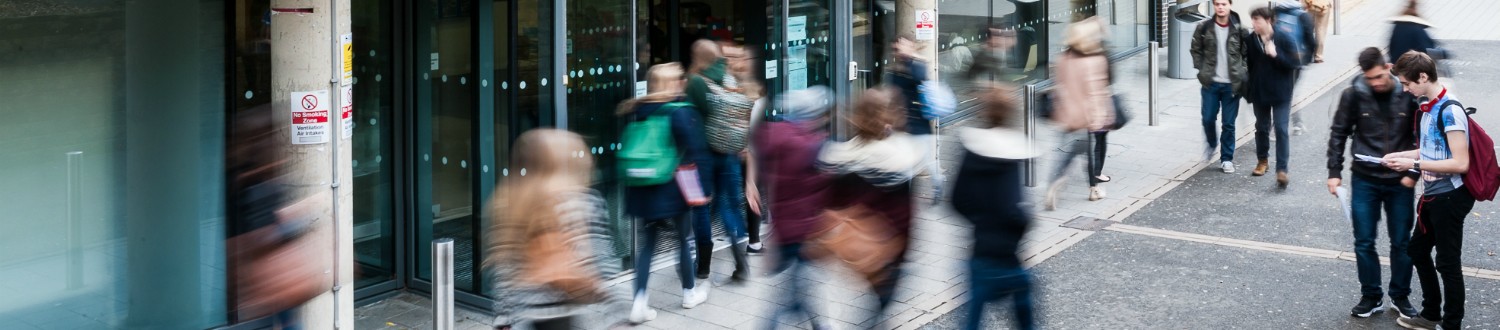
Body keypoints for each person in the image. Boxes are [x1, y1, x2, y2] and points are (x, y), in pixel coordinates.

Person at [483, 129, 622, 330]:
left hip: (528, 317)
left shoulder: (509, 203)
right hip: (563, 316)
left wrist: (503, 319)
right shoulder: (582, 200)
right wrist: (618, 313)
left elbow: (504, 270)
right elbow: (603, 263)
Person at [818, 87, 929, 326]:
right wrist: (904, 254)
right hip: (888, 249)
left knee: (876, 306)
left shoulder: (844, 155)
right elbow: (906, 216)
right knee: (880, 306)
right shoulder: (901, 157)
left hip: (857, 248)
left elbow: (831, 202)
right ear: (887, 117)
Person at [1325, 47, 1420, 320]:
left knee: (1401, 242)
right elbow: (1338, 134)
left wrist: (1412, 174)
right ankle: (1371, 296)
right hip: (1365, 178)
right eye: (1369, 78)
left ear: (1388, 66)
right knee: (1364, 241)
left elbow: (1422, 137)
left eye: (1379, 76)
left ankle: (1400, 296)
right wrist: (1334, 172)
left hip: (1400, 180)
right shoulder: (1353, 95)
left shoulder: (1407, 94)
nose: (1375, 83)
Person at [1382, 51, 1475, 330]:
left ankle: (1451, 323)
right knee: (1417, 251)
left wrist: (1414, 162)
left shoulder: (1450, 111)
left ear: (1423, 76)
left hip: (1450, 196)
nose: (1404, 89)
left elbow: (1461, 162)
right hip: (1434, 193)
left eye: (1407, 83)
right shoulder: (1428, 106)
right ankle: (1431, 314)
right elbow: (1433, 149)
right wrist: (1402, 155)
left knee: (1447, 263)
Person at [619, 63, 714, 324]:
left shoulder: (637, 110)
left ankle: (639, 302)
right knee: (683, 240)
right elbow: (695, 153)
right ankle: (689, 293)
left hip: (641, 188)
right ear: (672, 83)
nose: (682, 83)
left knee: (647, 245)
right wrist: (703, 191)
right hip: (673, 188)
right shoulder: (680, 112)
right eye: (678, 79)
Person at [951, 85, 1037, 330]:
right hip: (1007, 254)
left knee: (972, 315)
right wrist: (1024, 224)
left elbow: (957, 200)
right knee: (1025, 306)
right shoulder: (1010, 154)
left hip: (980, 247)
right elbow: (1012, 209)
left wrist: (979, 219)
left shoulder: (971, 150)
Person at [753, 87, 835, 330]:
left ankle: (819, 324)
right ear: (810, 115)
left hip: (785, 227)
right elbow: (825, 188)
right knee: (792, 293)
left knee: (800, 286)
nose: (823, 119)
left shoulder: (777, 137)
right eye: (820, 114)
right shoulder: (807, 147)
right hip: (805, 230)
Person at [683, 39, 752, 281]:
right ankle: (741, 263)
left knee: (700, 206)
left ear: (697, 57)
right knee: (730, 206)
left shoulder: (695, 82)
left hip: (702, 157)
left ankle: (703, 266)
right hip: (729, 154)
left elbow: (686, 117)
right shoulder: (729, 78)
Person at [1044, 17, 1115, 209]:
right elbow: (1096, 92)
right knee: (1084, 151)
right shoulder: (1095, 60)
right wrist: (1100, 117)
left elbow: (1059, 86)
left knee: (1078, 150)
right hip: (1086, 116)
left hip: (1067, 114)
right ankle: (1083, 186)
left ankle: (1082, 186)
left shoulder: (1064, 58)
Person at [1190, 0, 1249, 173]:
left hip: (1232, 85)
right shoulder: (1204, 27)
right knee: (1208, 118)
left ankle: (1226, 159)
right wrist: (1202, 69)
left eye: (1223, 4)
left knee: (1228, 124)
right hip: (1211, 83)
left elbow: (1246, 53)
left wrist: (1242, 71)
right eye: (1217, 4)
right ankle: (1212, 142)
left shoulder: (1239, 30)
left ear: (1230, 5)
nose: (1220, 7)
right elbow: (1195, 49)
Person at [1245, 6, 1300, 188]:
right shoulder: (1251, 39)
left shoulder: (1284, 37)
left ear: (1268, 21)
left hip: (1281, 93)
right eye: (1252, 20)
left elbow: (1294, 63)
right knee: (1261, 127)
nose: (1254, 24)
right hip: (1260, 92)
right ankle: (1263, 161)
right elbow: (1250, 65)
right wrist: (1250, 88)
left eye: (1257, 20)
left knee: (1282, 129)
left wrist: (1276, 55)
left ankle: (1282, 170)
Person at [887, 33, 947, 200]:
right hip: (902, 123)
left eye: (904, 45)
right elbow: (892, 95)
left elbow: (921, 80)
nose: (900, 49)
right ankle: (908, 193)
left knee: (926, 160)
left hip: (918, 122)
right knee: (908, 162)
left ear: (911, 46)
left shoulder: (918, 66)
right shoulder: (895, 70)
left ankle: (937, 184)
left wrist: (914, 57)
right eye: (897, 46)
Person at [1388, 0, 1436, 64]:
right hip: (1411, 68)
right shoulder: (1417, 29)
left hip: (1396, 64)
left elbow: (1391, 48)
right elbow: (1426, 49)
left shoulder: (1397, 27)